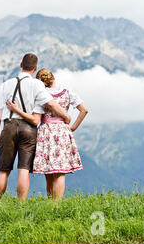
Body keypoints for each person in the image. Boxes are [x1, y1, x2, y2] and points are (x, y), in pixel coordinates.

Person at [0, 53, 71, 201]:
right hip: (28, 129)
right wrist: (66, 115)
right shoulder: (37, 84)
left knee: (3, 171)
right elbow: (51, 104)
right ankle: (21, 204)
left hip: (8, 126)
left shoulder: (7, 84)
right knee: (23, 169)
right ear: (35, 69)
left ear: (20, 65)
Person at [6, 68, 88, 201]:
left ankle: (50, 202)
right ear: (53, 77)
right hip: (62, 130)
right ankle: (57, 205)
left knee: (49, 171)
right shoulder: (67, 92)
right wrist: (73, 127)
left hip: (45, 131)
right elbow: (84, 109)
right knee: (60, 172)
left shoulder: (41, 94)